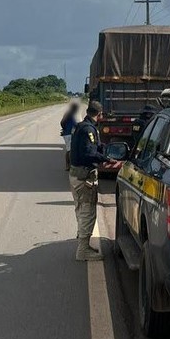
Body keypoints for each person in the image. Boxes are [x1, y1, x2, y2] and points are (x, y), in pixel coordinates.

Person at [69, 101, 121, 261]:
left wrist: (102, 149)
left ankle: (83, 245)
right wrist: (107, 159)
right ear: (99, 114)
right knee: (88, 212)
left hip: (76, 175)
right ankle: (82, 251)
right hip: (85, 177)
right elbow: (89, 153)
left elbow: (90, 148)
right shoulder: (89, 129)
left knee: (81, 209)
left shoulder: (81, 126)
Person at [60, 100, 80, 171]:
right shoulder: (70, 114)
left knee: (69, 149)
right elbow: (63, 122)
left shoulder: (70, 114)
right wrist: (65, 129)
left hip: (68, 133)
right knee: (69, 150)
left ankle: (69, 165)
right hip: (68, 134)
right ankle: (68, 165)